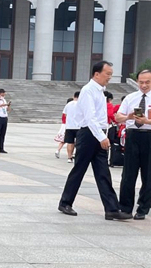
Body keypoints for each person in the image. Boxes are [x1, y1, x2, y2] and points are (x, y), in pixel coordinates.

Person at [58, 61, 132, 220]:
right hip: (89, 135)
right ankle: (65, 202)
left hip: (98, 134)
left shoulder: (100, 91)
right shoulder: (88, 91)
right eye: (108, 74)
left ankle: (111, 208)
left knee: (103, 172)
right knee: (79, 169)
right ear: (96, 74)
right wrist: (102, 137)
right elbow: (90, 118)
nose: (109, 77)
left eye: (111, 74)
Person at [116, 68, 151, 220]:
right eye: (141, 82)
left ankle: (143, 208)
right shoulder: (130, 97)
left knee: (148, 175)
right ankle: (125, 207)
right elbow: (118, 117)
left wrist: (146, 121)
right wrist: (127, 117)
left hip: (149, 136)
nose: (144, 85)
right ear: (137, 82)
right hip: (133, 136)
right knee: (128, 173)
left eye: (147, 82)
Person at [61, 91, 81, 162]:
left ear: (74, 96)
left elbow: (65, 114)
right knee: (79, 142)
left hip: (69, 126)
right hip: (79, 126)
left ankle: (69, 157)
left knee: (70, 142)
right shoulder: (81, 104)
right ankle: (78, 156)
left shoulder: (68, 104)